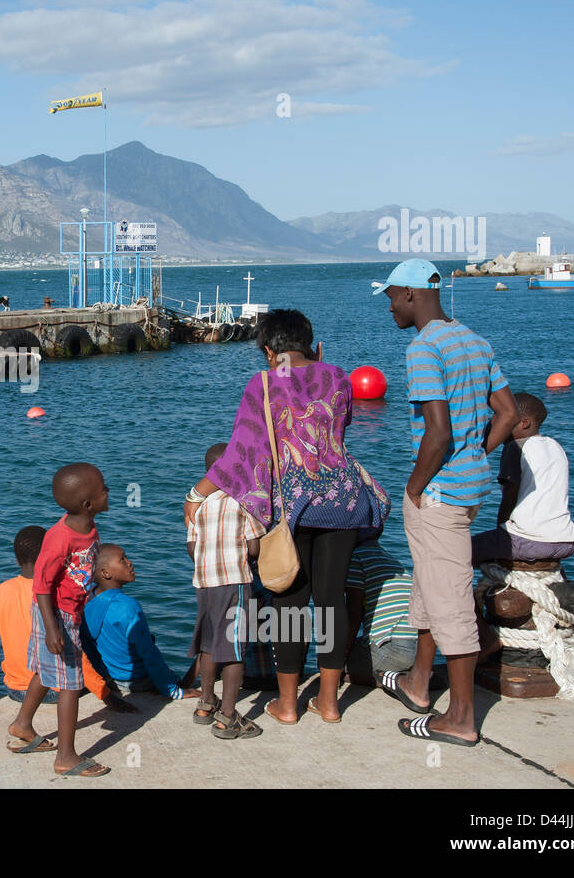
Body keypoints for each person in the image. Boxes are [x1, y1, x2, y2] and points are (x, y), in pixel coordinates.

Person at [184, 309, 390, 724]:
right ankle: (330, 703)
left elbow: (243, 452)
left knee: (289, 604)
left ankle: (288, 704)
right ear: (313, 345)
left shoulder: (262, 383)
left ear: (267, 350)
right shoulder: (338, 377)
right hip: (343, 500)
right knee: (331, 600)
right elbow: (337, 431)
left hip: (291, 506)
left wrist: (196, 495)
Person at [375, 258, 517, 747]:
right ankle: (418, 682)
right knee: (431, 583)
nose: (390, 306)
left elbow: (438, 431)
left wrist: (416, 486)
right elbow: (509, 412)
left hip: (437, 494)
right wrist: (477, 455)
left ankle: (459, 718)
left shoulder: (423, 349)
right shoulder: (475, 341)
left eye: (392, 296)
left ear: (412, 294)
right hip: (469, 490)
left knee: (451, 600)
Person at [7, 462, 111, 777]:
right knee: (69, 685)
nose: (109, 491)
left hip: (69, 612)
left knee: (45, 670)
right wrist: (53, 629)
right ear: (88, 504)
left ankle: (22, 724)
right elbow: (41, 586)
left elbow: (80, 571)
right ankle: (66, 756)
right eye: (104, 488)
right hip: (55, 615)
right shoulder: (59, 538)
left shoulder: (88, 526)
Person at [0, 525, 127, 712]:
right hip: (57, 690)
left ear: (17, 560)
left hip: (17, 691)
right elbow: (74, 653)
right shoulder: (59, 594)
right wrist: (107, 696)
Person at [183, 442, 264, 738]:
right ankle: (227, 717)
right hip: (235, 582)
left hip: (204, 584)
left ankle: (205, 703)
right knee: (233, 650)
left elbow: (191, 549)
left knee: (209, 644)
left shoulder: (197, 504)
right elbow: (254, 546)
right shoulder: (245, 502)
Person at [81, 544, 205, 702]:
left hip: (111, 677)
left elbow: (87, 645)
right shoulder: (128, 607)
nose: (129, 562)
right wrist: (171, 690)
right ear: (105, 573)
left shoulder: (88, 600)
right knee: (204, 651)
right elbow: (149, 653)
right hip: (137, 680)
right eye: (122, 560)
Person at [471, 392, 574, 565]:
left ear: (524, 423)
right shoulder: (555, 446)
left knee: (460, 553)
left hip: (530, 540)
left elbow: (509, 498)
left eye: (500, 418)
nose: (493, 423)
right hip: (566, 540)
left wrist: (501, 535)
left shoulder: (516, 448)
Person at [344, 538, 419, 684]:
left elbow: (353, 615)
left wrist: (341, 657)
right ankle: (402, 673)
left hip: (391, 647)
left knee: (329, 661)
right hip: (417, 650)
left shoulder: (355, 557)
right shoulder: (388, 559)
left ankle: (381, 679)